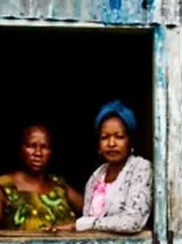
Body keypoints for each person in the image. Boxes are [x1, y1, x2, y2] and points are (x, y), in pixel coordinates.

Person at [49, 100, 152, 234]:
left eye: (119, 137)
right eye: (105, 137)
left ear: (130, 141)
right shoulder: (96, 176)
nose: (111, 143)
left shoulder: (141, 168)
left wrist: (80, 224)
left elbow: (132, 221)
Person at [0, 124, 83, 231]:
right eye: (31, 146)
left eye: (44, 147)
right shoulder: (3, 187)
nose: (38, 153)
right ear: (20, 148)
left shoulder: (59, 185)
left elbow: (92, 211)